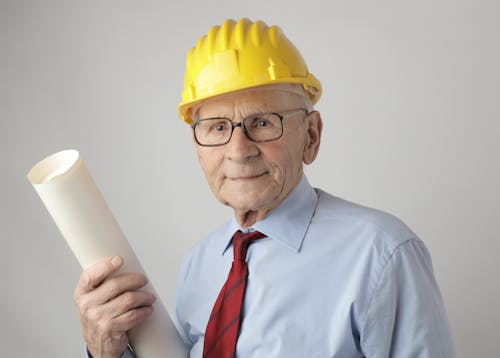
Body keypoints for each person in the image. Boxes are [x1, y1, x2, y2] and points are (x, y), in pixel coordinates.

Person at [75, 18, 456, 357]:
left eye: (262, 122)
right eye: (218, 128)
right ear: (198, 148)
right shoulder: (200, 263)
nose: (238, 151)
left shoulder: (383, 254)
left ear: (311, 135)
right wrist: (105, 352)